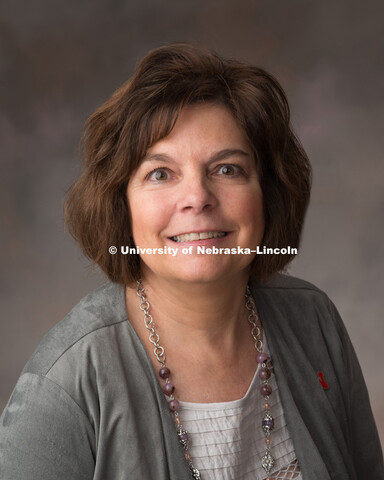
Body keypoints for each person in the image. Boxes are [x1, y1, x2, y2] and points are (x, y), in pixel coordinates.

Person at [0, 43, 382, 480]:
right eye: (160, 174)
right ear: (120, 206)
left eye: (227, 169)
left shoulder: (314, 322)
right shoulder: (63, 386)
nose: (197, 198)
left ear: (269, 195)